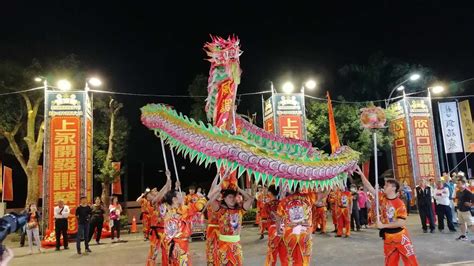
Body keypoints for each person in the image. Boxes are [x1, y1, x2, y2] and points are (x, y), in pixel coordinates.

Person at [357, 166, 419, 266]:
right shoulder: (382, 197)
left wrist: (383, 226)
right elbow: (369, 187)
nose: (384, 187)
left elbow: (401, 222)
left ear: (394, 188)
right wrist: (361, 174)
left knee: (411, 262)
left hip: (401, 237)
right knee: (390, 262)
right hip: (388, 238)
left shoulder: (399, 204)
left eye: (387, 185)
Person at [209, 178, 253, 266]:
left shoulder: (240, 210)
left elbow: (250, 199)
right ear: (224, 198)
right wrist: (219, 190)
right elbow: (211, 199)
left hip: (236, 245)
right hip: (223, 245)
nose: (232, 199)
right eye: (229, 197)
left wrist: (239, 189)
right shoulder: (220, 210)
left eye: (233, 197)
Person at [162, 180, 206, 266]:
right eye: (179, 194)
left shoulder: (169, 211)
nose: (182, 195)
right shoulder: (182, 210)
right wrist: (205, 198)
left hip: (172, 245)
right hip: (180, 246)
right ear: (175, 199)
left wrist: (175, 188)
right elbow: (197, 206)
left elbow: (168, 197)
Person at [277, 186, 315, 265]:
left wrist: (278, 231)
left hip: (290, 235)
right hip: (306, 233)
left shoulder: (283, 202)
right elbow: (322, 195)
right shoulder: (308, 197)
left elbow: (278, 218)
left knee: (292, 258)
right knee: (305, 258)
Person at [264, 186, 288, 266]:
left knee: (272, 253)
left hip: (273, 229)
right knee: (284, 253)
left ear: (270, 193)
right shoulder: (282, 202)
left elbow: (265, 216)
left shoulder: (267, 205)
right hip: (283, 228)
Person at [455, 179, 474, 243]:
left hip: (466, 211)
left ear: (463, 184)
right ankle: (463, 236)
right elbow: (457, 199)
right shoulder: (458, 192)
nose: (457, 184)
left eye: (459, 183)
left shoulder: (468, 192)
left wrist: (470, 204)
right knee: (462, 224)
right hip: (460, 210)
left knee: (471, 225)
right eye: (457, 183)